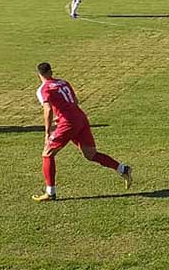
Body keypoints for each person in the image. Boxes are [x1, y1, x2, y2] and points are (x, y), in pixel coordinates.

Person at [31, 62, 132, 202]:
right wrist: (62, 116)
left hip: (68, 123)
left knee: (47, 153)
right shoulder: (63, 83)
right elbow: (75, 101)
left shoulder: (43, 89)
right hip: (80, 118)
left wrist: (47, 132)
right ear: (51, 72)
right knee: (91, 154)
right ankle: (123, 169)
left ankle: (50, 192)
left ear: (39, 75)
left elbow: (47, 109)